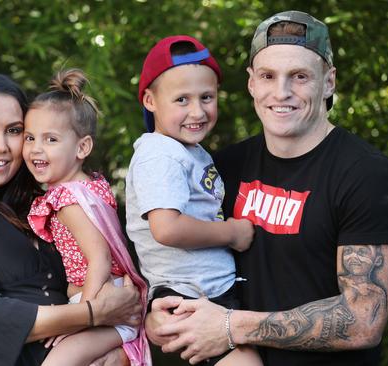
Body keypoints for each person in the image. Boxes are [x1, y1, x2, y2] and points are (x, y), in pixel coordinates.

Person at [146, 10, 388, 366]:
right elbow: (171, 252)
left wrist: (230, 326)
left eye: (299, 76)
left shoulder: (367, 175)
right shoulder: (223, 166)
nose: (281, 92)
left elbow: (363, 320)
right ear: (252, 83)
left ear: (328, 82)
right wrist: (154, 314)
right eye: (268, 76)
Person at [0, 73, 141, 366]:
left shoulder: (45, 201)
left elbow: (118, 274)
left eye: (15, 131)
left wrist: (118, 354)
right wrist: (93, 313)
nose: (1, 146)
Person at [126, 35, 261, 365]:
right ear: (150, 100)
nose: (197, 111)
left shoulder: (188, 151)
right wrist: (232, 233)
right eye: (182, 100)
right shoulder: (161, 154)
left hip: (207, 290)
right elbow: (167, 229)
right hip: (186, 297)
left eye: (206, 97)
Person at [23, 69, 151, 366]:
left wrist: (83, 318)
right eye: (30, 138)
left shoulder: (69, 199)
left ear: (82, 147)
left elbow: (100, 259)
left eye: (50, 139)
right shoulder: (89, 185)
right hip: (99, 303)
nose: (36, 148)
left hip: (106, 307)